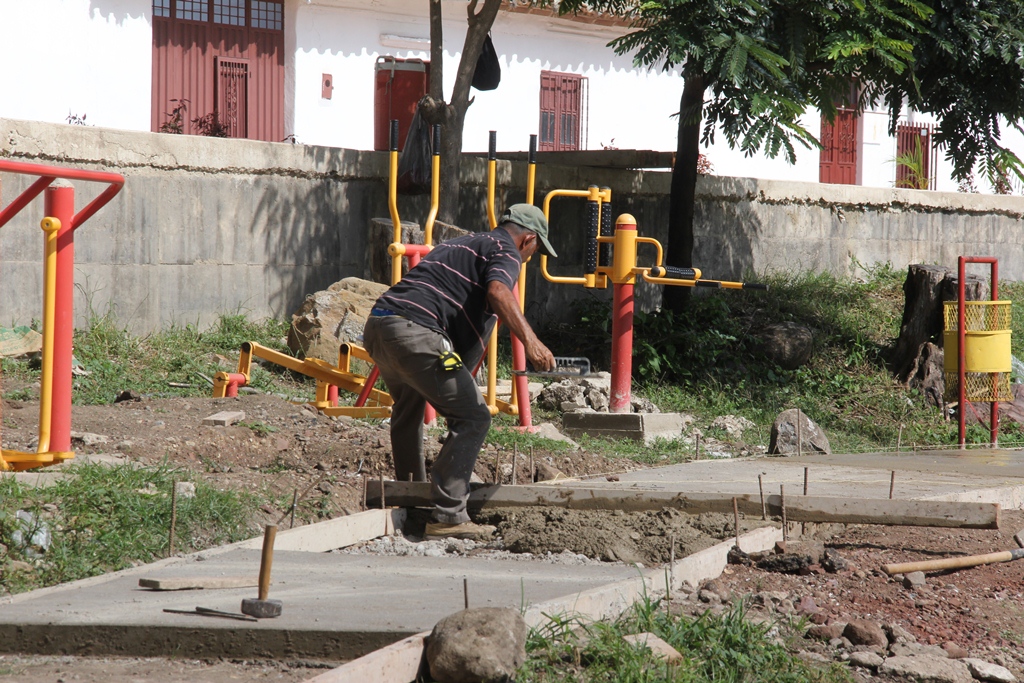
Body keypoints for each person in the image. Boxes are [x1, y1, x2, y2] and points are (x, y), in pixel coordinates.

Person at [363, 204, 557, 540]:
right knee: (474, 418)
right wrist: (532, 343)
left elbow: (461, 320)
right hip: (416, 332)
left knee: (408, 409)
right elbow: (499, 292)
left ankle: (410, 499)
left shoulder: (461, 245)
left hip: (381, 326)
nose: (529, 258)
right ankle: (448, 516)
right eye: (535, 250)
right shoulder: (505, 250)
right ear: (528, 240)